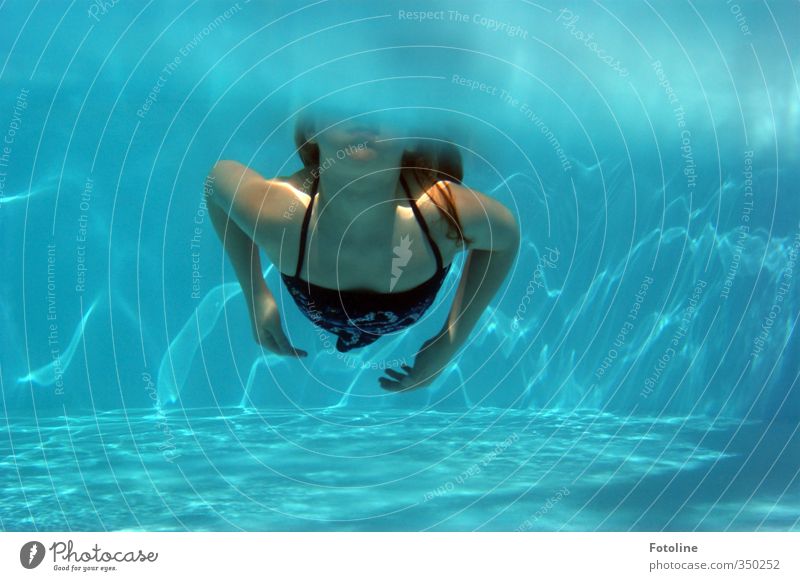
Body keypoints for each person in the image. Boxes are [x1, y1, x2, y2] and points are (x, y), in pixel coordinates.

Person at [205, 111, 519, 391]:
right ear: (312, 128)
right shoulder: (283, 217)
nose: (364, 118)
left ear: (411, 138)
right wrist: (255, 293)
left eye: (386, 108)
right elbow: (216, 181)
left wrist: (450, 339)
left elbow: (505, 239)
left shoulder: (439, 213)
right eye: (342, 105)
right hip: (348, 307)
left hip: (345, 305)